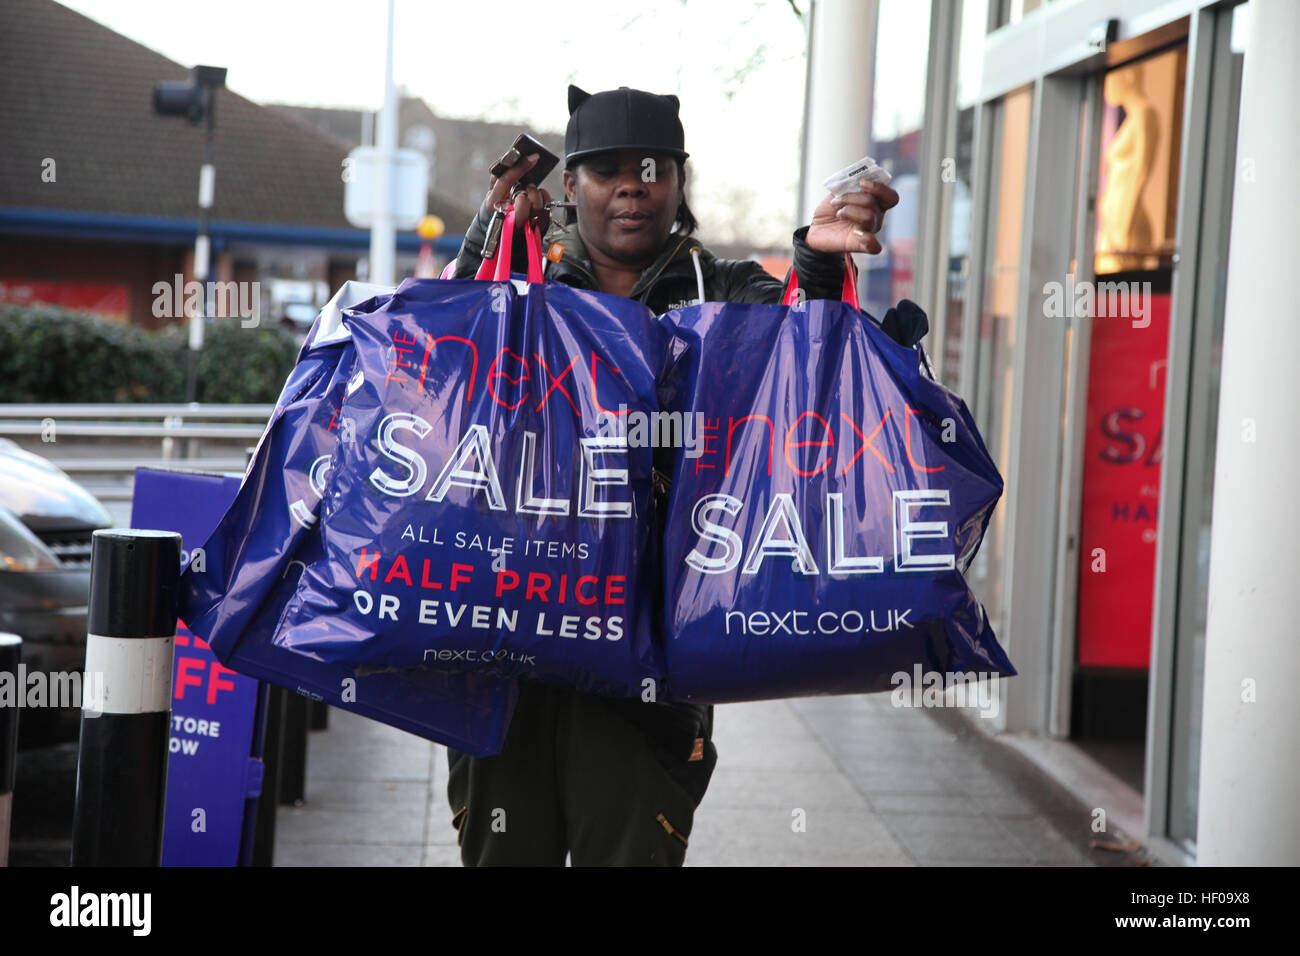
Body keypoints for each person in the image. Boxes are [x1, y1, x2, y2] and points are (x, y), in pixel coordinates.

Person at [444, 84, 901, 867]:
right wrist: (487, 234)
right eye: (605, 170)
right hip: (507, 653)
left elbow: (809, 366)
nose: (632, 185)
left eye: (652, 169)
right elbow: (440, 371)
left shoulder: (722, 293)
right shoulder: (523, 290)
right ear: (569, 188)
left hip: (650, 667)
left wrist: (817, 265)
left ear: (679, 183)